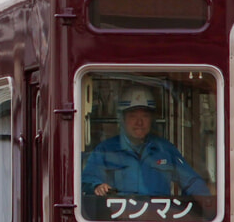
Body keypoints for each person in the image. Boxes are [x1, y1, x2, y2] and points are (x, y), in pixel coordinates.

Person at [82, 84, 210, 199]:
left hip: (158, 219)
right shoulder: (106, 149)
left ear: (152, 119)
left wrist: (204, 204)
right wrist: (97, 186)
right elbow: (87, 180)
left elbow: (192, 182)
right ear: (122, 119)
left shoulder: (164, 149)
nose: (139, 122)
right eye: (133, 116)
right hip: (120, 220)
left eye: (145, 116)